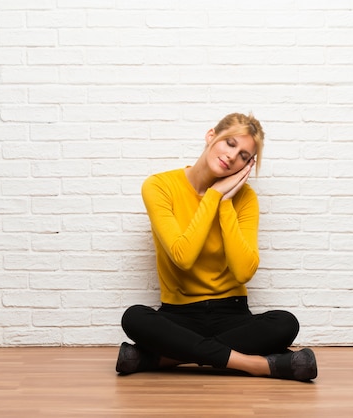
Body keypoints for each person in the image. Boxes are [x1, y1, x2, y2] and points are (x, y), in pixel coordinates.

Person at [116, 112, 317, 382]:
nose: (234, 156)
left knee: (285, 323)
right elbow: (182, 257)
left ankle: (165, 357)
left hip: (232, 314)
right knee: (134, 318)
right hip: (179, 314)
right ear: (211, 136)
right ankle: (257, 365)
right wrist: (214, 195)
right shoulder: (159, 186)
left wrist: (224, 204)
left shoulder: (245, 198)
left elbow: (243, 272)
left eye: (245, 156)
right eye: (230, 143)